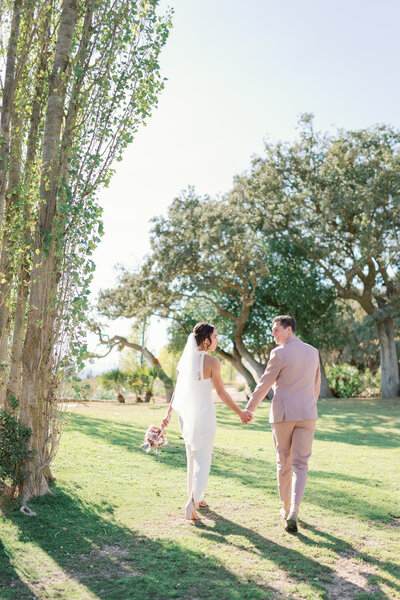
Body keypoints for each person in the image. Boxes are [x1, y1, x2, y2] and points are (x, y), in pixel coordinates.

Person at [241, 315, 320, 532]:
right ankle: (295, 509)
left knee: (283, 462)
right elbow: (316, 385)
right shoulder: (313, 352)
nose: (273, 333)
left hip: (284, 415)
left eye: (276, 329)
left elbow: (264, 383)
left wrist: (250, 409)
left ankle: (286, 509)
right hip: (307, 414)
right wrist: (308, 407)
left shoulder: (279, 353)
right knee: (301, 465)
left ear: (289, 329)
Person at [162, 322, 247, 520]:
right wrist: (240, 412)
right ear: (205, 340)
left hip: (186, 416)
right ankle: (192, 502)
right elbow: (221, 392)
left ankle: (198, 499)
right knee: (203, 459)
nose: (217, 340)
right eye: (215, 337)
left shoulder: (185, 362)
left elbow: (178, 392)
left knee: (192, 458)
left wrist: (168, 414)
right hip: (204, 415)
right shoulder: (212, 362)